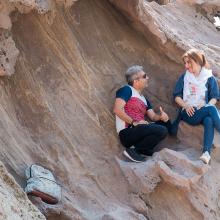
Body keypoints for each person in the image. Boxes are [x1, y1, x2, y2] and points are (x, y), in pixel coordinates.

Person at [113, 65, 172, 162]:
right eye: (144, 76)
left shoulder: (144, 99)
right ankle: (133, 150)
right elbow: (117, 110)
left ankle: (141, 150)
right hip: (128, 132)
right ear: (136, 81)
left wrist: (161, 117)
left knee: (165, 125)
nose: (147, 78)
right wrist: (134, 122)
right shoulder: (127, 90)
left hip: (140, 129)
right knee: (161, 129)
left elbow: (152, 116)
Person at [173, 48, 220, 164]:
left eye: (189, 62)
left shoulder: (209, 77)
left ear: (198, 61)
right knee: (211, 109)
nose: (186, 66)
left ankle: (206, 153)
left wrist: (207, 106)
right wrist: (186, 106)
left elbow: (215, 97)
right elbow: (176, 96)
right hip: (188, 112)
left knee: (209, 119)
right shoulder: (185, 77)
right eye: (185, 63)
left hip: (202, 111)